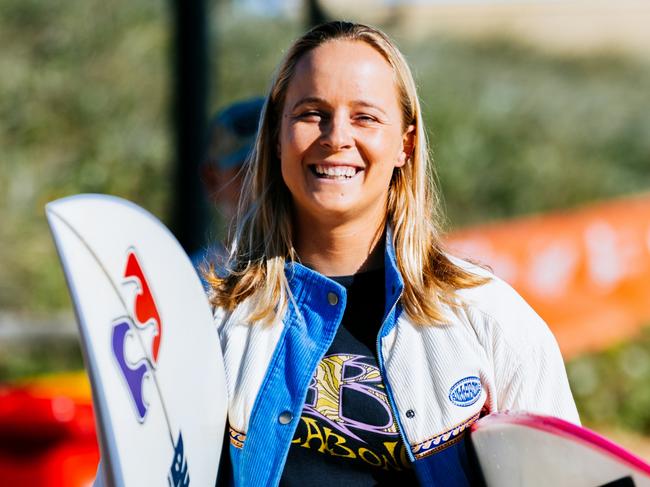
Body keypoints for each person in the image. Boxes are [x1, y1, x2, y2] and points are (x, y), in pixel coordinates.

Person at [208, 21, 579, 486]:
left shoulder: (489, 318)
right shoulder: (212, 318)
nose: (336, 137)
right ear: (277, 137)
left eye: (365, 117)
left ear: (405, 143)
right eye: (311, 113)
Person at [191, 97, 265, 280]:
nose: (262, 183)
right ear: (212, 180)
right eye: (245, 171)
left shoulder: (318, 271)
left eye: (274, 168)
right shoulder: (187, 280)